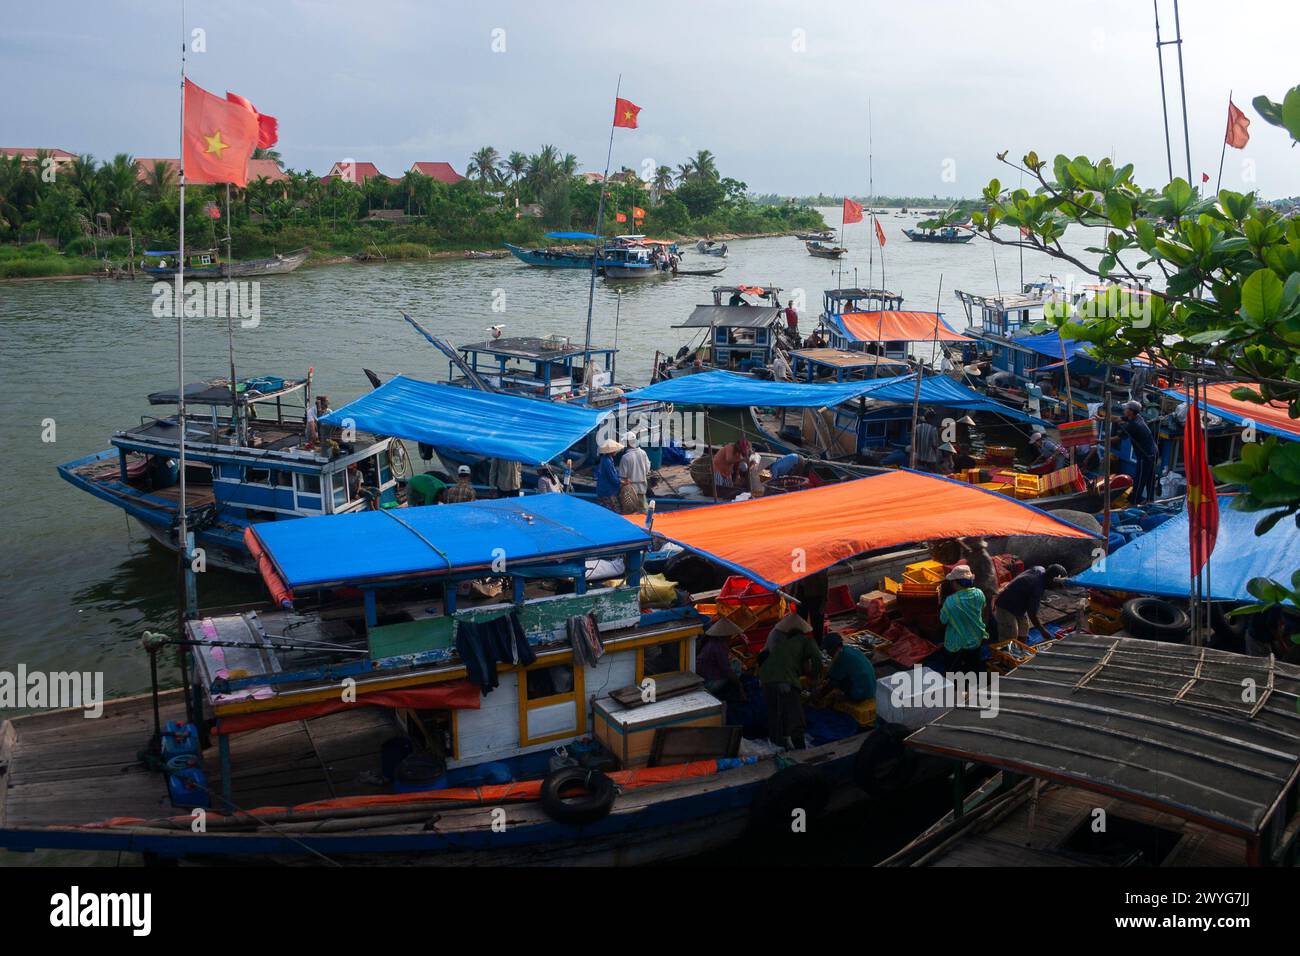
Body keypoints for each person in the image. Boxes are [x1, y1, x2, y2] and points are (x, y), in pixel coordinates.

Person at [757, 612, 822, 749]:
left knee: (775, 714)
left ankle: (778, 745)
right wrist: (814, 677)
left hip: (765, 679)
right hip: (784, 680)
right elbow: (817, 658)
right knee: (795, 714)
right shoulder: (805, 641)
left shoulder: (781, 644)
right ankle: (799, 747)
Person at [993, 564, 1067, 641]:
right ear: (1051, 580)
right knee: (1010, 635)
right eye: (1058, 585)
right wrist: (1043, 631)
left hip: (1019, 604)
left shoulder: (1040, 569)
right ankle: (1005, 650)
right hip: (1005, 606)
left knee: (1024, 630)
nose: (1057, 587)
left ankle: (1020, 649)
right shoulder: (1037, 588)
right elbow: (1032, 615)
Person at [939, 566, 988, 673]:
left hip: (956, 645)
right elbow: (982, 608)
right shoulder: (979, 593)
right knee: (974, 669)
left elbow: (943, 620)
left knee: (953, 671)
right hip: (976, 639)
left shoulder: (950, 601)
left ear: (956, 583)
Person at [1113, 401, 1158, 503]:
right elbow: (1117, 418)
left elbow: (1116, 439)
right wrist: (1102, 418)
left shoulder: (1133, 426)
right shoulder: (1137, 417)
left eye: (1126, 409)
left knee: (1140, 480)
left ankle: (1134, 503)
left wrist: (1100, 441)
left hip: (1145, 456)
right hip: (1153, 452)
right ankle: (1150, 501)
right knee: (1150, 479)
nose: (1124, 410)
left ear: (1131, 411)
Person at [818, 633, 876, 703]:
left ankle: (853, 697)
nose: (827, 652)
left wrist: (820, 695)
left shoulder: (841, 658)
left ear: (832, 648)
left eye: (827, 650)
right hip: (872, 689)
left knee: (836, 685)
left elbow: (833, 681)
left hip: (863, 693)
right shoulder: (848, 649)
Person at [696, 617, 743, 701]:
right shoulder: (718, 647)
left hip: (704, 677)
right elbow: (726, 669)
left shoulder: (711, 642)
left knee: (735, 663)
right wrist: (739, 685)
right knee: (736, 666)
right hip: (708, 682)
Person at [617, 431, 651, 512]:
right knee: (643, 510)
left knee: (630, 512)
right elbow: (647, 469)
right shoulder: (643, 453)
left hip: (630, 489)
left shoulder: (625, 457)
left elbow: (623, 476)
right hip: (642, 486)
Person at [794, 568, 829, 644]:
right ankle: (802, 645)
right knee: (800, 623)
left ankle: (818, 646)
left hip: (815, 595)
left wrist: (824, 602)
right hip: (801, 592)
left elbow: (824, 581)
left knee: (817, 625)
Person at [595, 438, 623, 510]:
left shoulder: (605, 459)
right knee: (614, 510)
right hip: (607, 491)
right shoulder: (608, 462)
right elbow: (613, 478)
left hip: (602, 489)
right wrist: (622, 482)